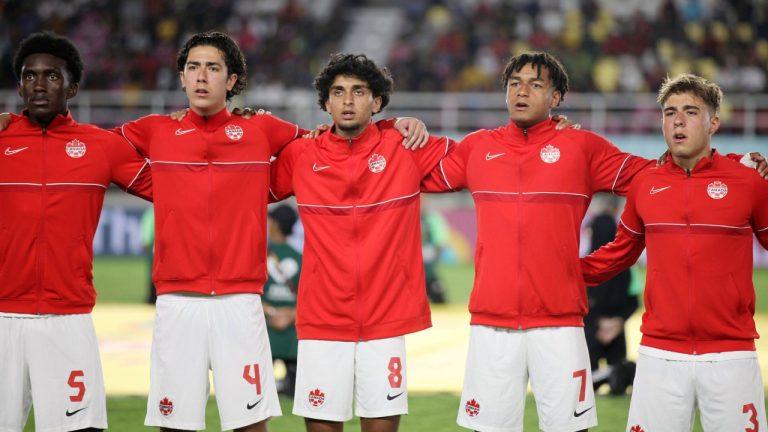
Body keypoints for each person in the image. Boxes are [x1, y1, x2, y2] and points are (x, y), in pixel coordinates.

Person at [420, 51, 767, 432]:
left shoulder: (582, 147)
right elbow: (412, 170)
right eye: (514, 84)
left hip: (561, 320)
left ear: (555, 98)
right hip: (491, 321)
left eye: (535, 85)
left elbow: (663, 172)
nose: (522, 92)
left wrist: (734, 166)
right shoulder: (476, 147)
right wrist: (396, 128)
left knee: (570, 428)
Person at [115, 33, 427, 432]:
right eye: (193, 67)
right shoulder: (155, 128)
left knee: (250, 420)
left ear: (231, 81)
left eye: (213, 68)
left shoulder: (261, 127)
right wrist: (161, 185)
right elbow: (98, 150)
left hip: (242, 299)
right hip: (177, 298)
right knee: (175, 422)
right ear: (181, 77)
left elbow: (319, 139)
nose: (201, 76)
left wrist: (391, 124)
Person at [269, 53, 456, 432]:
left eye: (359, 91)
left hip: (386, 317)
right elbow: (242, 177)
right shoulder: (301, 154)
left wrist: (549, 133)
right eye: (338, 92)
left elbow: (485, 156)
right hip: (323, 316)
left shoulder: (406, 146)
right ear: (326, 103)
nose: (348, 101)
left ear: (377, 101)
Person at [581, 73, 768, 432]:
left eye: (690, 111)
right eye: (669, 112)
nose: (678, 120)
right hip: (659, 354)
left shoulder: (748, 182)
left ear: (714, 122)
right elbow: (617, 254)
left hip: (731, 354)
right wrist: (561, 271)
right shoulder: (645, 183)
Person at [0, 32, 152, 432]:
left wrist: (202, 129)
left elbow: (174, 189)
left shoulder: (101, 146)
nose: (39, 84)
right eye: (30, 76)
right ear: (18, 87)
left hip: (67, 317)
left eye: (51, 76)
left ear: (73, 87)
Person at [584, 195, 637, 395]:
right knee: (619, 380)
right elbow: (633, 299)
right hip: (617, 330)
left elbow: (580, 301)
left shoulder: (585, 267)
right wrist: (617, 323)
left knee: (590, 382)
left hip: (593, 330)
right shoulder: (625, 267)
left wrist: (599, 323)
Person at [263, 204, 302, 398]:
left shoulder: (260, 256)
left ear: (276, 224)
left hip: (264, 328)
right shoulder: (301, 257)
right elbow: (309, 297)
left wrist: (271, 312)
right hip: (292, 333)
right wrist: (289, 315)